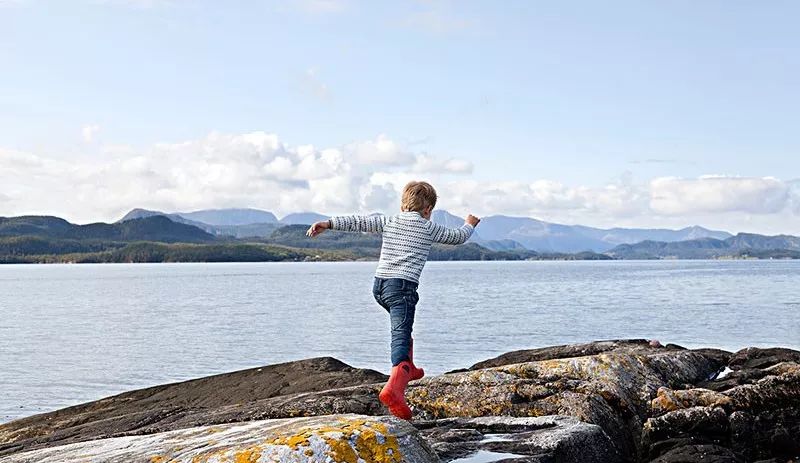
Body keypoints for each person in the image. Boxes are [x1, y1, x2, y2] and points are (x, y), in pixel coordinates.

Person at [306, 180, 480, 420]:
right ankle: (395, 388)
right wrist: (469, 224)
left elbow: (359, 222)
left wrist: (328, 223)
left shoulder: (390, 220)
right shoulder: (428, 227)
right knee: (400, 331)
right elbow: (458, 237)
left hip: (380, 286)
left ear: (403, 205)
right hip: (402, 288)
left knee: (403, 328)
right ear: (428, 210)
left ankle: (410, 368)